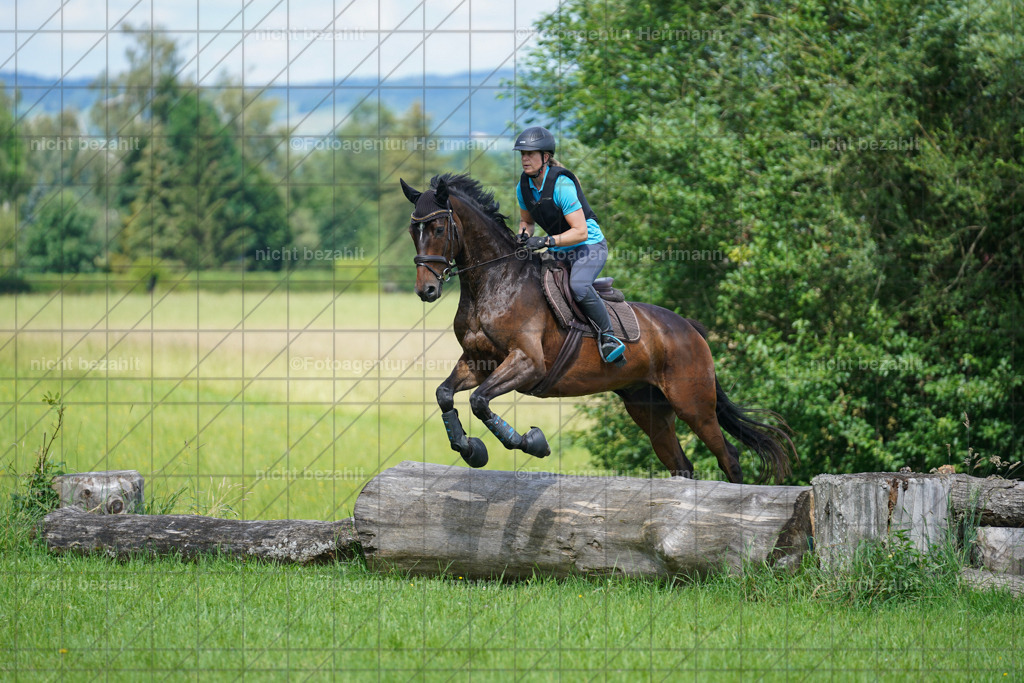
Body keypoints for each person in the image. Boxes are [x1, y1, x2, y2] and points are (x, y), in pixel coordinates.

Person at [514, 126, 625, 363]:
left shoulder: (562, 185)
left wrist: (545, 241)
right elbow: (526, 221)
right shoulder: (523, 187)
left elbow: (580, 232)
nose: (525, 159)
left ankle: (608, 337)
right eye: (522, 154)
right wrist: (523, 236)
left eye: (530, 154)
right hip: (560, 247)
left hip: (590, 246)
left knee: (579, 287)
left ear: (545, 157)